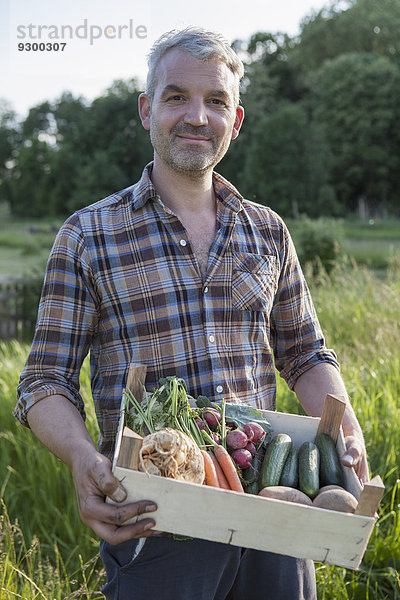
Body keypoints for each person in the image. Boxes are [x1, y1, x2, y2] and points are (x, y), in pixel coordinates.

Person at [14, 27, 368, 600]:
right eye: (177, 97)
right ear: (146, 108)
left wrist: (341, 420)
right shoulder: (88, 236)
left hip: (270, 512)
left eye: (216, 102)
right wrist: (82, 458)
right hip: (156, 523)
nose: (197, 116)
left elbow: (304, 353)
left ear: (237, 118)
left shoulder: (267, 232)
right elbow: (44, 381)